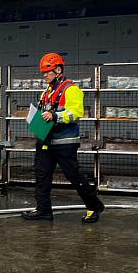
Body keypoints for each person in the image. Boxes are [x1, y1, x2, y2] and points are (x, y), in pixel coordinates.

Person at [22, 53, 105, 223]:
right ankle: (44, 210)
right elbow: (44, 111)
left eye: (48, 72)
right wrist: (36, 118)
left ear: (58, 70)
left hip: (64, 143)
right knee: (42, 176)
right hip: (45, 141)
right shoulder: (47, 91)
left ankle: (94, 207)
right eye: (44, 73)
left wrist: (54, 116)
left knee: (74, 176)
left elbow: (75, 113)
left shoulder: (71, 89)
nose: (44, 75)